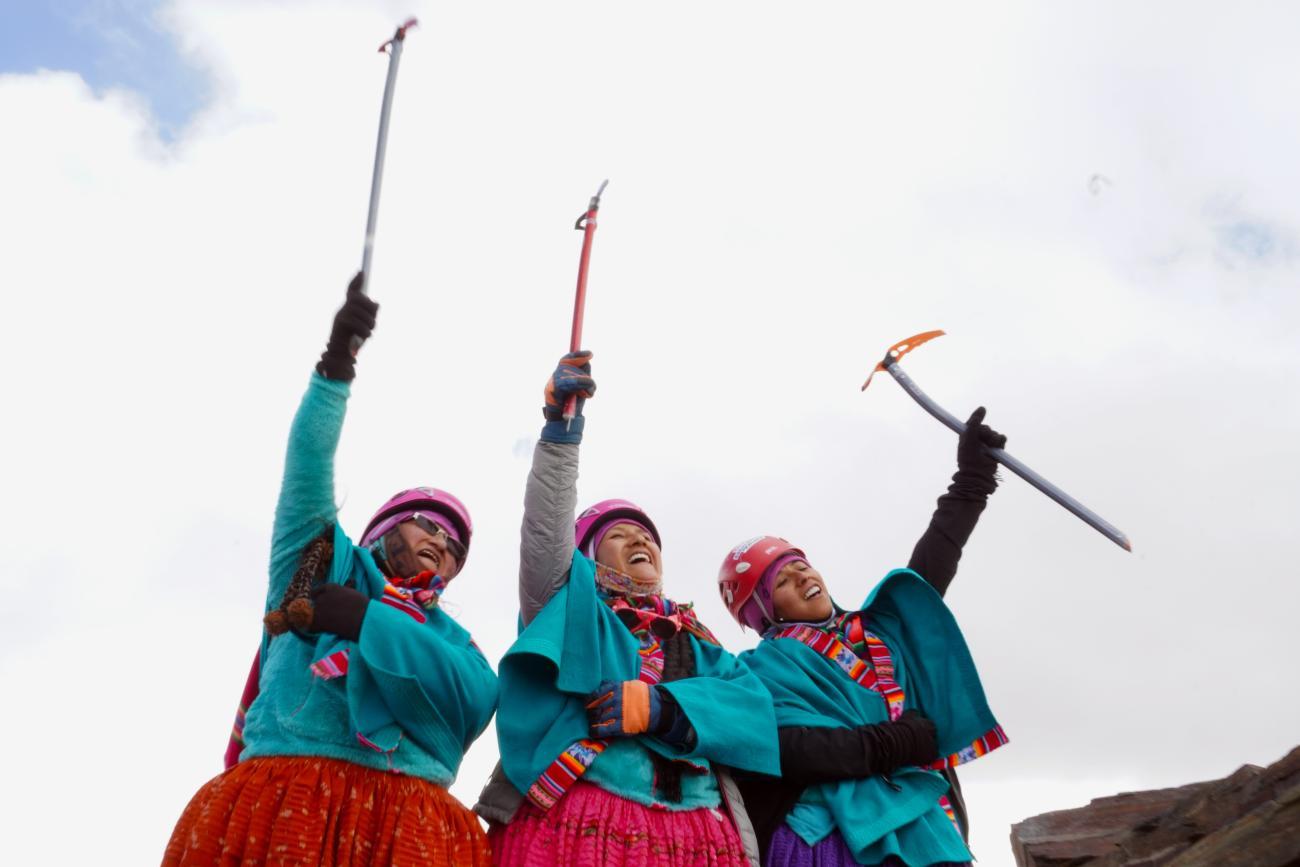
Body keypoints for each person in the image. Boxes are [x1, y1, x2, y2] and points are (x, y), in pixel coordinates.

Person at [164, 274, 498, 866]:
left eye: (454, 547)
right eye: (428, 523)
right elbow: (308, 461)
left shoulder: (459, 645)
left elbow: (471, 701)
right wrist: (336, 365)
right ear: (377, 533)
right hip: (284, 804)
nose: (441, 544)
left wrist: (370, 621)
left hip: (409, 834)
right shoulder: (315, 564)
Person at [475, 352, 780, 867]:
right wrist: (561, 432)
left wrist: (663, 709)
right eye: (619, 535)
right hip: (582, 825)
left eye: (647, 536)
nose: (640, 540)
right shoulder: (567, 607)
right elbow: (547, 534)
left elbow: (753, 712)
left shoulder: (697, 637)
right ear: (588, 556)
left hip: (700, 839)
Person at [717, 410, 1010, 867]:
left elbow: (934, 560)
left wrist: (972, 479)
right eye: (781, 581)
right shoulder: (759, 670)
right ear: (765, 611)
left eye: (801, 565)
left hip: (927, 822)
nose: (802, 577)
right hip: (827, 839)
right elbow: (789, 749)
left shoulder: (880, 628)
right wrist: (895, 743)